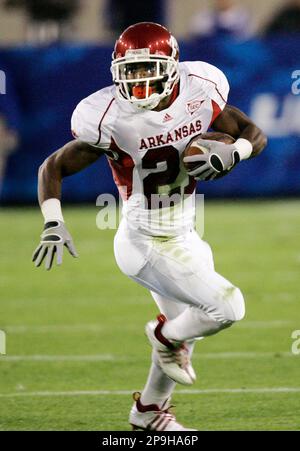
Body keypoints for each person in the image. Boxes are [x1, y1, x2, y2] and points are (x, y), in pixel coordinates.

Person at [32, 22, 267, 431]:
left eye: (147, 69)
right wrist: (53, 222)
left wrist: (236, 153)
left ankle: (147, 415)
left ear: (172, 67)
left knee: (185, 335)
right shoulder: (107, 116)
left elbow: (252, 133)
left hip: (185, 235)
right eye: (131, 70)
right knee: (227, 307)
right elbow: (52, 165)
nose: (139, 80)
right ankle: (163, 337)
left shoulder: (200, 90)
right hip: (143, 241)